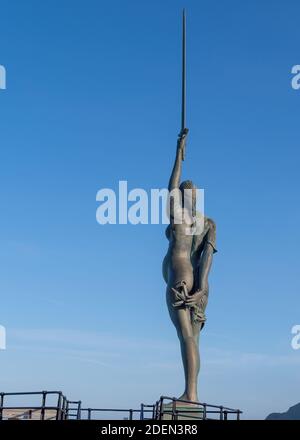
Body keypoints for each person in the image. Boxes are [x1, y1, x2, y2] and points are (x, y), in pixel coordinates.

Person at [162, 129, 217, 402]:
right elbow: (207, 258)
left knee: (185, 336)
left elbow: (170, 185)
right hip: (197, 284)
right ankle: (192, 393)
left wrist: (179, 153)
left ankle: (190, 396)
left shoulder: (179, 214)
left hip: (180, 277)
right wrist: (203, 288)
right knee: (193, 339)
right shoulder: (207, 223)